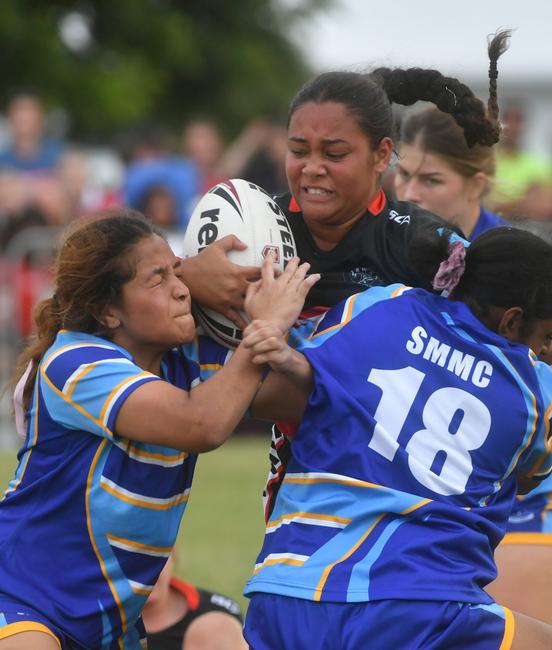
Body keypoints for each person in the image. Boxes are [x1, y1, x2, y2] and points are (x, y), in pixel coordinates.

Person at [179, 52, 505, 522]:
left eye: (334, 154)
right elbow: (130, 283)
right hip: (304, 465)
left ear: (381, 155)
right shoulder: (255, 228)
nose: (312, 168)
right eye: (298, 151)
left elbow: (523, 326)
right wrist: (187, 275)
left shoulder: (417, 242)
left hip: (406, 474)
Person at [241, 227, 552, 650]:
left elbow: (311, 372)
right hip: (418, 604)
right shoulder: (532, 389)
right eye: (547, 336)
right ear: (512, 320)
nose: (551, 348)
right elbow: (533, 473)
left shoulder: (377, 304)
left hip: (284, 589)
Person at [0, 209, 317, 650]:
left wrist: (263, 323)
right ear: (109, 310)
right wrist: (263, 331)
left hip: (109, 626)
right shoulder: (74, 363)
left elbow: (300, 397)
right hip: (20, 598)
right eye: (158, 279)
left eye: (178, 270)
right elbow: (201, 423)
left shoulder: (183, 359)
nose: (181, 289)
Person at [392, 51, 552, 626]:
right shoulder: (391, 246)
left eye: (431, 179)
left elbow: (543, 412)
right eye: (403, 173)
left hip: (535, 485)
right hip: (439, 478)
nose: (410, 192)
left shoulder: (522, 266)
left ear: (478, 183)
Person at [143, 548, 246, 650]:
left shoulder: (217, 616)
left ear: (173, 553)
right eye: (130, 558)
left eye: (155, 554)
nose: (147, 570)